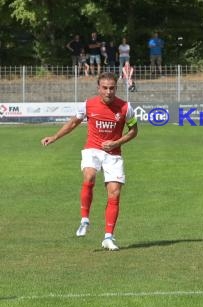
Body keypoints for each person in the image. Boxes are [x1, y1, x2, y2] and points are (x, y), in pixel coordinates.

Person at [41, 72, 138, 251]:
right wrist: (54, 137)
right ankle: (84, 219)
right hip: (92, 149)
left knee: (115, 193)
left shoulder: (126, 107)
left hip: (113, 154)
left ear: (116, 88)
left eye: (112, 88)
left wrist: (116, 142)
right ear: (98, 88)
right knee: (89, 175)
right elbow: (72, 124)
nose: (108, 92)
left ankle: (108, 237)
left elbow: (134, 131)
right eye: (105, 88)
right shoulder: (88, 104)